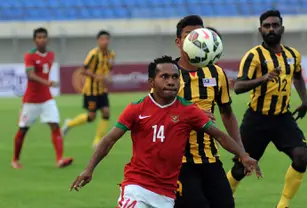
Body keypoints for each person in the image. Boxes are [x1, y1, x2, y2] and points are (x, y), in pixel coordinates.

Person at [70, 56, 261, 208]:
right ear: (151, 81)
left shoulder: (188, 111)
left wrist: (243, 156)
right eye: (165, 77)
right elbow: (109, 139)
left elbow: (218, 135)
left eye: (175, 77)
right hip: (137, 188)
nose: (171, 81)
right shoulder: (137, 109)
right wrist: (89, 169)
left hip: (167, 194)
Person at [226, 10, 307, 208]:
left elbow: (297, 76)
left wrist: (305, 100)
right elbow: (238, 87)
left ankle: (283, 205)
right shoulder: (253, 56)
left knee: (301, 156)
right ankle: (221, 200)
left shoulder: (292, 55)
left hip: (282, 117)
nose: (271, 29)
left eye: (275, 25)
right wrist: (263, 78)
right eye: (267, 26)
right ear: (260, 29)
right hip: (257, 119)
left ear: (282, 28)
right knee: (241, 168)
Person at [171, 15, 253, 208]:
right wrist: (189, 117)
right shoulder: (167, 73)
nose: (195, 39)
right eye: (189, 34)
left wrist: (241, 151)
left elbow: (226, 113)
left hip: (210, 157)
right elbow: (155, 117)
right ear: (178, 41)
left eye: (199, 34)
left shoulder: (216, 73)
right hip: (178, 161)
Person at [12, 28, 73, 169]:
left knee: (55, 126)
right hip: (31, 100)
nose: (41, 39)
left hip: (46, 98)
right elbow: (30, 75)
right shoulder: (30, 56)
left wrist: (47, 85)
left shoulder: (51, 55)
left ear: (47, 39)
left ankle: (59, 160)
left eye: (44, 37)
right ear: (34, 40)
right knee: (23, 129)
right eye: (38, 37)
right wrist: (47, 83)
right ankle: (15, 159)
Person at [62, 30, 116, 147]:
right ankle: (69, 123)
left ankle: (97, 141)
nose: (105, 42)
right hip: (90, 91)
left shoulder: (111, 54)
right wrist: (96, 76)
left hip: (102, 90)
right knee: (91, 116)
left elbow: (108, 70)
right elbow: (83, 70)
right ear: (98, 41)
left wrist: (108, 78)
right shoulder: (94, 54)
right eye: (102, 39)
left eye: (107, 39)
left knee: (106, 112)